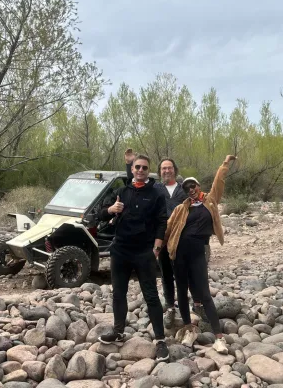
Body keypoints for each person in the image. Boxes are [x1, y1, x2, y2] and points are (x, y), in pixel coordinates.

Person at [97, 154, 170, 363]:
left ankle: (160, 340)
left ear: (148, 171)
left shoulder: (155, 194)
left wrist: (157, 247)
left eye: (144, 168)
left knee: (151, 296)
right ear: (132, 169)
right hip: (120, 250)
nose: (140, 170)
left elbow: (161, 222)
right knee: (118, 293)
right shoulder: (121, 191)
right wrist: (112, 209)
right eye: (137, 167)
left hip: (144, 252)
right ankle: (118, 331)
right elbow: (100, 214)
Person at [124, 149, 207, 328]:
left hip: (184, 239)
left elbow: (201, 206)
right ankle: (170, 307)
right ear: (159, 171)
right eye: (163, 169)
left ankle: (198, 304)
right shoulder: (155, 188)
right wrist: (129, 164)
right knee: (166, 275)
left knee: (189, 273)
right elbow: (134, 183)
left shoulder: (184, 188)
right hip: (161, 238)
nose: (166, 171)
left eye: (169, 168)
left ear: (175, 170)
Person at [165, 154, 237, 353]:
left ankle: (219, 338)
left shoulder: (210, 201)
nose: (191, 190)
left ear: (198, 186)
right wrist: (154, 248)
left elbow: (218, 182)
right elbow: (168, 229)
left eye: (193, 186)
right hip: (179, 254)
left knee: (205, 294)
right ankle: (189, 330)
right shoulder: (181, 208)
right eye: (187, 188)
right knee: (181, 292)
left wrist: (224, 164)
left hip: (198, 252)